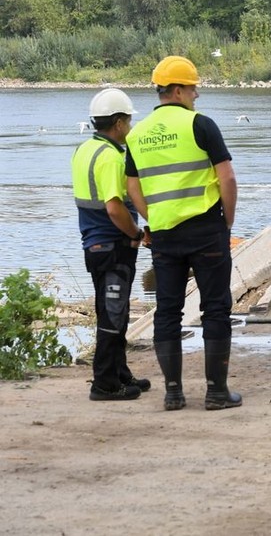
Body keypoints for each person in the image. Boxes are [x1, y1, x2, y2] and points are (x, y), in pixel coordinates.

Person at [125, 55, 241, 412]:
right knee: (216, 309)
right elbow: (228, 178)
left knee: (167, 311)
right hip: (207, 230)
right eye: (192, 89)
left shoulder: (138, 134)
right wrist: (227, 222)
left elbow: (133, 187)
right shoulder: (200, 126)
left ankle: (173, 393)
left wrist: (155, 217)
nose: (196, 96)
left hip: (164, 236)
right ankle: (216, 392)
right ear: (177, 90)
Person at [72, 88, 150, 401]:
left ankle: (120, 372)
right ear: (118, 123)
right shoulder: (111, 158)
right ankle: (104, 383)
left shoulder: (85, 149)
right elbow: (115, 207)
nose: (130, 127)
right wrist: (136, 233)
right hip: (111, 244)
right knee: (113, 313)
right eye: (129, 121)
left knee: (112, 309)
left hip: (94, 244)